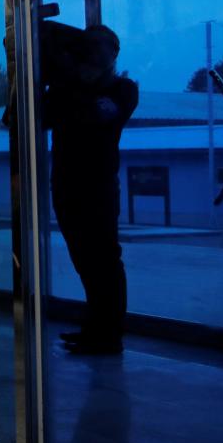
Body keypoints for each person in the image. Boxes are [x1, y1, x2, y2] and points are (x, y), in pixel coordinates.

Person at [43, 21, 138, 356]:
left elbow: (98, 116)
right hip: (67, 184)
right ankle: (96, 328)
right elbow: (36, 118)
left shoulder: (123, 89)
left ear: (114, 53)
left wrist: (69, 79)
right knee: (84, 259)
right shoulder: (69, 88)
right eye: (89, 44)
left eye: (100, 45)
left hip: (97, 187)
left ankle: (108, 334)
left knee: (104, 260)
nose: (92, 51)